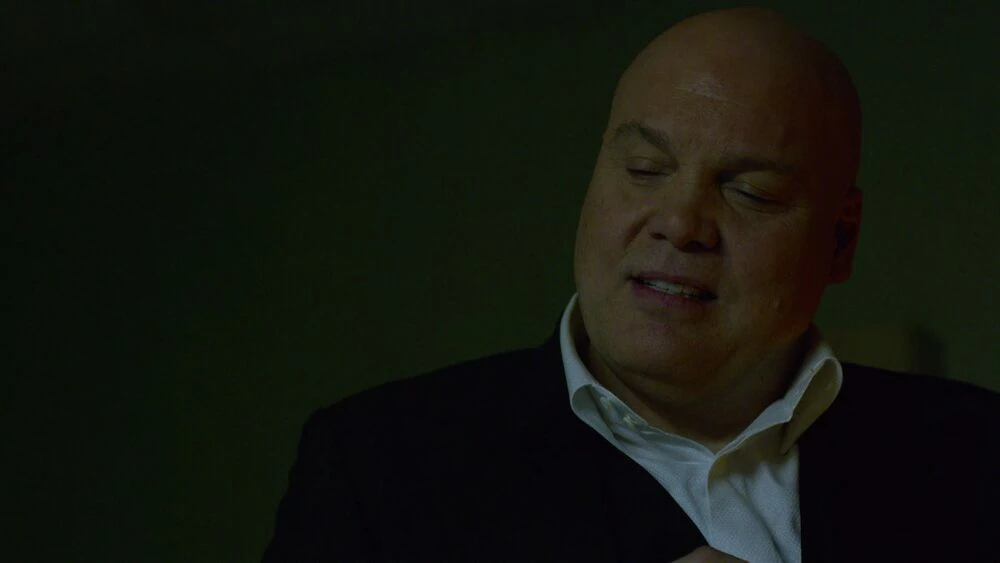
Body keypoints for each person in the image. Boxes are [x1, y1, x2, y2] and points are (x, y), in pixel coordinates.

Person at [263, 7, 999, 562]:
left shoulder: (980, 458)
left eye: (750, 191)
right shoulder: (377, 469)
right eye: (645, 169)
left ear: (840, 240)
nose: (680, 223)